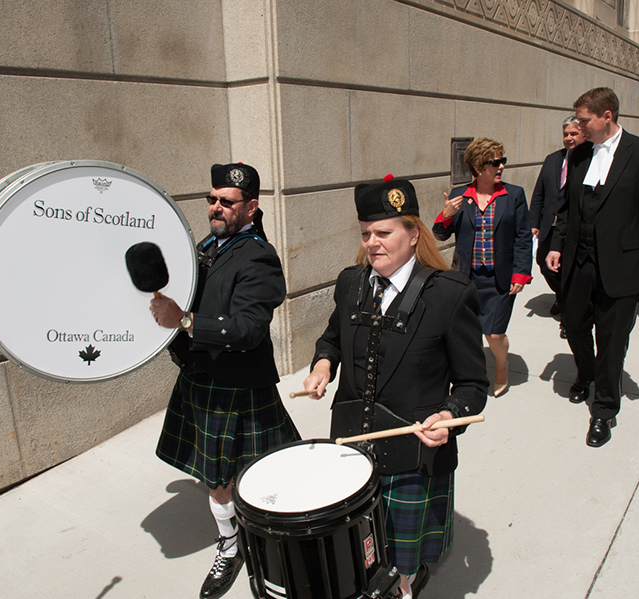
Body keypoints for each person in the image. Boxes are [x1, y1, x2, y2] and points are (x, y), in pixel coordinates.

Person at [303, 175, 489, 599]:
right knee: (359, 549)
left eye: (384, 232)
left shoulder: (449, 294)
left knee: (398, 563)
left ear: (413, 234)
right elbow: (332, 335)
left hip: (413, 456)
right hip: (350, 445)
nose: (372, 242)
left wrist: (450, 417)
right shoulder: (351, 283)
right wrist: (323, 364)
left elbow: (473, 384)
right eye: (366, 233)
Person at [150, 162, 300, 599]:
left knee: (260, 474)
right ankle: (230, 545)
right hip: (200, 375)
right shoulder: (205, 246)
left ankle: (265, 542)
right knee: (215, 477)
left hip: (236, 383)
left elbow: (248, 328)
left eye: (227, 202)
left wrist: (186, 320)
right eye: (212, 199)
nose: (216, 208)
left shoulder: (259, 257)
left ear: (251, 208)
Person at [546, 87, 639, 447]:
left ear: (607, 117)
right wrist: (556, 245)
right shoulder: (581, 153)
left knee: (613, 340)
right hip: (578, 260)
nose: (579, 126)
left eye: (584, 120)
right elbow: (567, 208)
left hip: (622, 262)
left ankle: (604, 410)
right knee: (573, 324)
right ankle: (587, 373)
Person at [432, 139, 532, 397]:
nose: (500, 167)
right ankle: (472, 376)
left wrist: (521, 273)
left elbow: (522, 237)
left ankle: (501, 364)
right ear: (477, 167)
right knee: (468, 333)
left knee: (495, 335)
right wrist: (446, 215)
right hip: (467, 278)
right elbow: (440, 235)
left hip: (500, 279)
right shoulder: (458, 196)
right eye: (494, 162)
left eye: (502, 161)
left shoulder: (514, 195)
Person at [530, 116, 584, 339]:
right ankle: (563, 298)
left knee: (567, 270)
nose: (569, 138)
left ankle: (569, 315)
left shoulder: (589, 160)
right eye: (566, 134)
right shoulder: (552, 160)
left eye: (574, 134)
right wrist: (534, 223)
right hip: (549, 226)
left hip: (573, 228)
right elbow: (539, 193)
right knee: (543, 262)